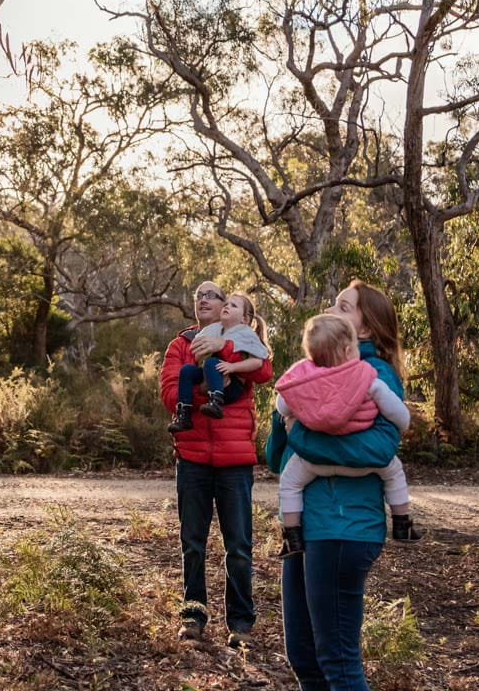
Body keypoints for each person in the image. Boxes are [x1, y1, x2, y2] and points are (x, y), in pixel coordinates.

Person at [264, 280, 405, 690]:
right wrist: (283, 411)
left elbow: (380, 447)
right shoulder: (310, 374)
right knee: (305, 658)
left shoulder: (372, 374)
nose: (331, 309)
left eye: (344, 306)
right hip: (304, 526)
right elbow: (276, 458)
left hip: (342, 528)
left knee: (338, 662)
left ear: (365, 330)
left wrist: (300, 434)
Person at [160, 280, 275, 648]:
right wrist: (210, 380)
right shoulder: (181, 345)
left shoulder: (241, 336)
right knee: (192, 542)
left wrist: (222, 349)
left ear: (227, 305)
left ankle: (240, 623)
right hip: (192, 458)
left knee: (238, 545)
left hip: (235, 459)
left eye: (212, 295)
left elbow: (262, 371)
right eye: (198, 295)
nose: (204, 299)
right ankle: (193, 615)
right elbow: (168, 394)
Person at [272, 314, 414, 557]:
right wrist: (402, 424)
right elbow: (400, 416)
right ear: (349, 350)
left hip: (314, 463)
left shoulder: (304, 377)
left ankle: (291, 536)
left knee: (290, 482)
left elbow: (282, 405)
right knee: (393, 471)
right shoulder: (367, 377)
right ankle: (402, 523)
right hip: (364, 464)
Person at [169, 293, 270, 432]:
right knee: (186, 370)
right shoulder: (212, 331)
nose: (227, 306)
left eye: (233, 305)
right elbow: (197, 356)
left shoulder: (246, 334)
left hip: (231, 386)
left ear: (244, 318)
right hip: (209, 375)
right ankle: (184, 413)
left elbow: (259, 363)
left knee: (212, 363)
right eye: (227, 304)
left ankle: (216, 402)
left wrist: (232, 366)